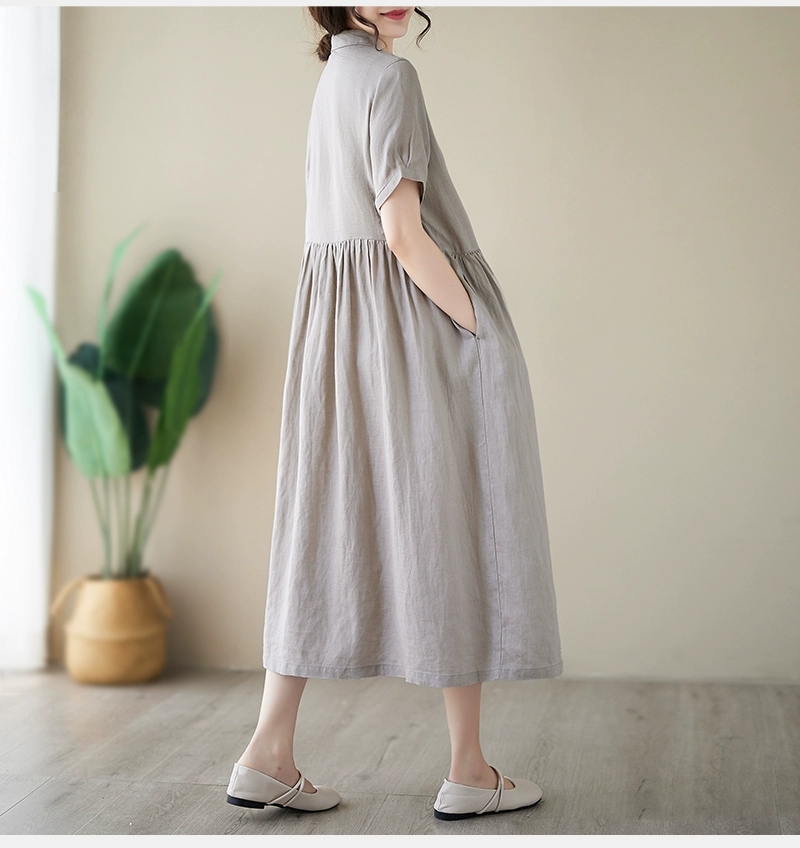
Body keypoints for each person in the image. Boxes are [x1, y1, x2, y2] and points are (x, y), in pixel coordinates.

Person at [226, 6, 564, 821]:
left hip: (336, 336)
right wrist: (478, 326)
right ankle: (468, 769)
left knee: (319, 528)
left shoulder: (333, 81)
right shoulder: (391, 77)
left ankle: (268, 750)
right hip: (406, 331)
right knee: (452, 520)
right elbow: (404, 236)